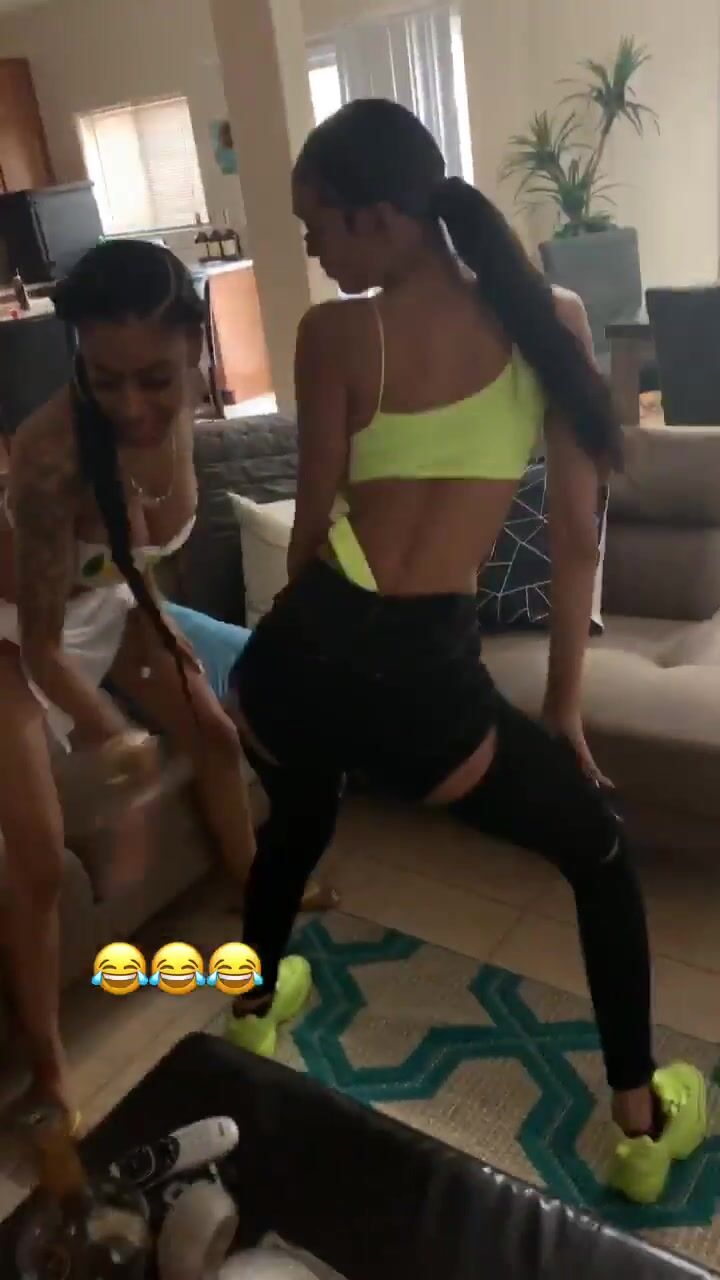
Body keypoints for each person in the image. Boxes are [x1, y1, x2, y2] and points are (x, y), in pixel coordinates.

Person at [221, 100, 706, 1206]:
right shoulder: (550, 318)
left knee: (297, 818)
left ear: (382, 216)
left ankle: (250, 1015)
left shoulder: (333, 336)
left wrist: (300, 659)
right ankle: (642, 1126)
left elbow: (310, 534)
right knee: (598, 856)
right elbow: (580, 536)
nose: (312, 250)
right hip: (424, 687)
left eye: (317, 226)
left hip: (295, 663)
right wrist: (564, 708)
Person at [0, 240, 332, 1122]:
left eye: (155, 378)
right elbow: (42, 647)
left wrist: (166, 638)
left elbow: (133, 558)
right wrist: (119, 741)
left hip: (104, 604)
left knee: (216, 733)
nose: (133, 406)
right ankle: (48, 1069)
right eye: (104, 380)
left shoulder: (182, 416)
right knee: (36, 860)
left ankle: (254, 889)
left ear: (195, 344)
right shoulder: (49, 456)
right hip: (14, 638)